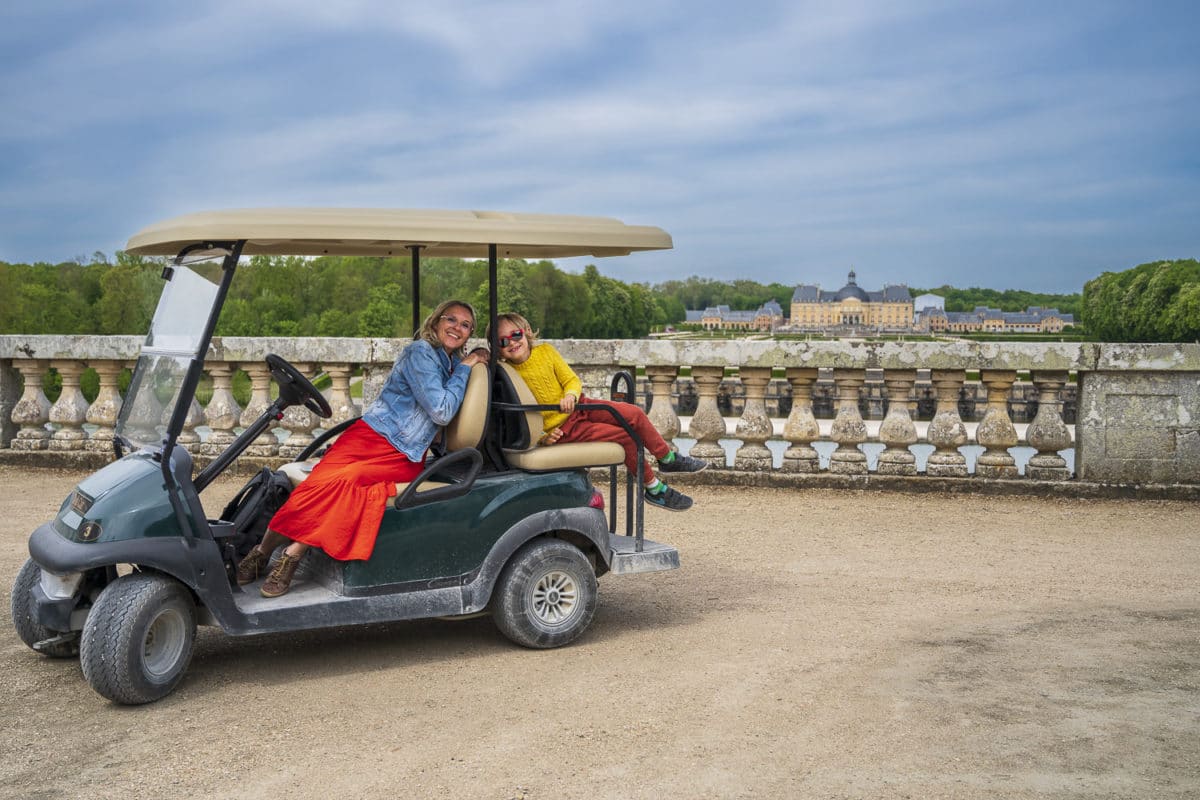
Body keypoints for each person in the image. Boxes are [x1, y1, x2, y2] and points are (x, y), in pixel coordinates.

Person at [236, 299, 489, 598]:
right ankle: (262, 551)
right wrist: (467, 365)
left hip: (401, 453)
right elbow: (441, 410)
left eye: (465, 325)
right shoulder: (420, 352)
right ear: (436, 322)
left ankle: (292, 554)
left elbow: (442, 415)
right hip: (368, 437)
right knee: (320, 482)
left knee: (348, 480)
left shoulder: (449, 363)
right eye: (451, 319)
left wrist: (464, 365)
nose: (457, 328)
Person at [489, 312, 705, 511]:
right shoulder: (508, 373)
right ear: (497, 349)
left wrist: (570, 396)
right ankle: (655, 489)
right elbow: (518, 417)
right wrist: (544, 437)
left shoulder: (546, 352)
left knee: (634, 414)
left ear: (525, 332)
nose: (512, 342)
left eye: (515, 335)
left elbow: (571, 380)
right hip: (564, 430)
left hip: (582, 406)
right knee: (625, 438)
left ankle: (667, 458)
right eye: (503, 341)